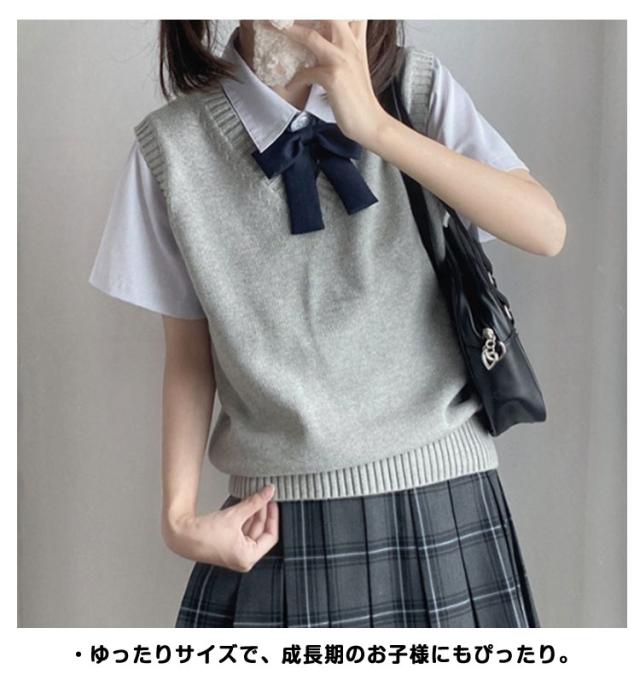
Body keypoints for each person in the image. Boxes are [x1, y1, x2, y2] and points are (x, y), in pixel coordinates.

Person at [89, 20, 566, 628]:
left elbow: (545, 229)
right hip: (275, 521)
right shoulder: (171, 148)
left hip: (447, 493)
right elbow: (189, 354)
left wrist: (376, 128)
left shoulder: (412, 87)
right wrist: (178, 518)